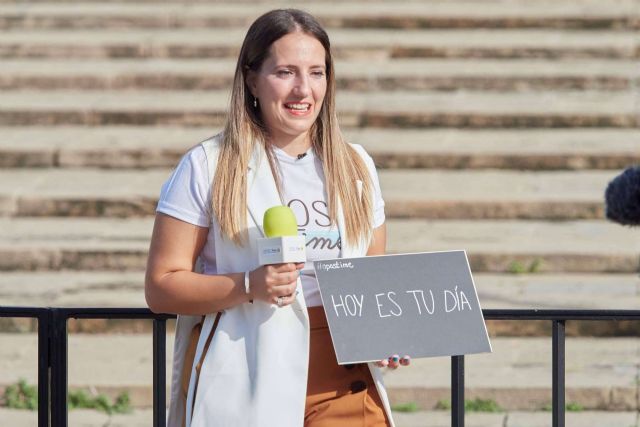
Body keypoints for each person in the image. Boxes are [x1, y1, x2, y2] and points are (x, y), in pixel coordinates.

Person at [145, 9, 410, 427]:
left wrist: (386, 333)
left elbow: (371, 282)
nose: (303, 89)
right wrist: (249, 284)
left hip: (346, 384)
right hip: (247, 373)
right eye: (285, 72)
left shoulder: (357, 165)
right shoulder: (207, 165)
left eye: (316, 72)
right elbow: (161, 286)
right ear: (251, 78)